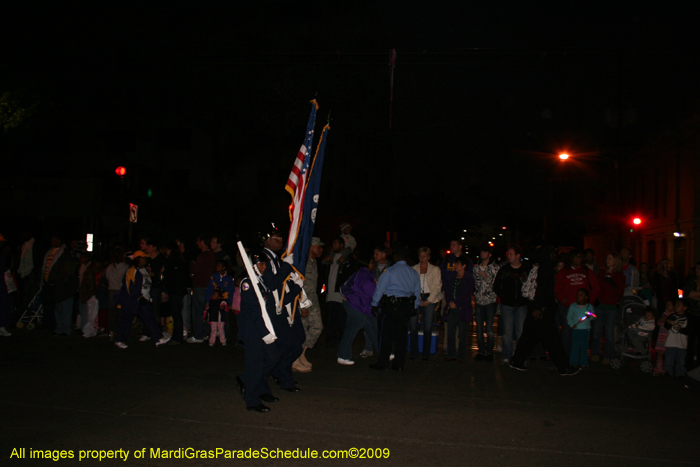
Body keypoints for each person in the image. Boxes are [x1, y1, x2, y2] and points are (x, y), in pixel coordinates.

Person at [509, 245, 579, 375]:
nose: (554, 256)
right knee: (552, 340)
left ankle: (516, 361)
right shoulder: (545, 269)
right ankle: (564, 367)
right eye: (552, 253)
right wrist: (539, 307)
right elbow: (542, 290)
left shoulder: (536, 267)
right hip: (542, 309)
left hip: (537, 307)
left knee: (529, 337)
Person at [236, 251, 281, 413]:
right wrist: (264, 333)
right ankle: (252, 399)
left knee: (272, 358)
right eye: (261, 264)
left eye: (265, 264)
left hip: (263, 328)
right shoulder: (248, 283)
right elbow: (252, 311)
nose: (264, 267)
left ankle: (250, 382)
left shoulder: (260, 281)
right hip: (254, 331)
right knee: (255, 365)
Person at [369, 243, 421, 371]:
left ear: (397, 257)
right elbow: (417, 292)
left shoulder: (390, 271)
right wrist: (415, 307)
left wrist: (374, 304)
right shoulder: (413, 272)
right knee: (401, 337)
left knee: (385, 336)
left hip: (391, 307)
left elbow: (380, 289)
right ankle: (399, 364)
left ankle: (383, 363)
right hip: (405, 307)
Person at [113, 251, 170, 349]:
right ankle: (120, 340)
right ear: (137, 259)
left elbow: (148, 284)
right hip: (133, 301)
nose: (145, 260)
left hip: (144, 300)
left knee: (149, 319)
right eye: (143, 258)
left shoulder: (144, 270)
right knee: (126, 320)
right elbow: (130, 286)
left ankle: (159, 338)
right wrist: (139, 297)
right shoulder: (132, 270)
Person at [554, 249, 600, 358]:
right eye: (576, 257)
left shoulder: (586, 271)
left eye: (580, 257)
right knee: (566, 332)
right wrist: (562, 299)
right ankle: (566, 356)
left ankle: (578, 355)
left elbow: (596, 287)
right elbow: (557, 288)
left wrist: (590, 301)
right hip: (567, 307)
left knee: (581, 332)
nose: (578, 259)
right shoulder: (563, 272)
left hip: (581, 307)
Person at [493, 245, 532, 364]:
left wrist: (526, 298)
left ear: (518, 255)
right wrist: (505, 296)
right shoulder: (504, 270)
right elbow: (496, 286)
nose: (508, 256)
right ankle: (507, 355)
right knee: (507, 332)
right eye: (508, 254)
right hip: (507, 305)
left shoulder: (526, 269)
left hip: (521, 305)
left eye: (511, 254)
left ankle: (520, 356)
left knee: (520, 332)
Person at [337, 267, 379, 365]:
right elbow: (371, 292)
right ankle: (343, 355)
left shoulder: (360, 273)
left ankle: (384, 352)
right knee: (352, 329)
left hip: (358, 305)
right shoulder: (364, 275)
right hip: (356, 305)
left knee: (371, 328)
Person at [294, 237, 324, 371]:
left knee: (318, 327)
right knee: (302, 330)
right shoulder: (303, 263)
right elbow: (298, 286)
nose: (321, 249)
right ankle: (295, 359)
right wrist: (303, 305)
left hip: (313, 300)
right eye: (319, 246)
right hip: (303, 301)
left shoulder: (313, 262)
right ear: (311, 247)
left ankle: (301, 353)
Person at [591, 252, 626, 364]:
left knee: (609, 332)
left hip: (611, 308)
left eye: (610, 258)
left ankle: (608, 354)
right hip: (600, 306)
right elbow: (596, 287)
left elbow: (620, 292)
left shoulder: (620, 275)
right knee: (596, 331)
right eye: (607, 258)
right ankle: (595, 353)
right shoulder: (601, 272)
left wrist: (612, 283)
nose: (607, 260)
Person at [410, 247, 442, 361]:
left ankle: (426, 353)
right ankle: (413, 352)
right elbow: (412, 286)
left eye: (424, 256)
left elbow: (438, 287)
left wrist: (428, 300)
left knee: (427, 327)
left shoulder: (435, 269)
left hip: (430, 298)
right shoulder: (413, 269)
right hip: (416, 298)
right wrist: (418, 299)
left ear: (428, 257)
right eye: (420, 256)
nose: (422, 259)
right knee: (413, 326)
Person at [323, 237, 355, 347]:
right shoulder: (330, 258)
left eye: (335, 243)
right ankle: (331, 341)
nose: (333, 245)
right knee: (330, 320)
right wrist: (324, 291)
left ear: (342, 245)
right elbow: (325, 276)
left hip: (341, 296)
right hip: (330, 295)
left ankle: (344, 342)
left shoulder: (347, 257)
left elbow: (352, 274)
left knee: (343, 321)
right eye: (333, 243)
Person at [442, 254, 475, 363]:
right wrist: (450, 301)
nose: (456, 266)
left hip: (463, 310)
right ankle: (451, 353)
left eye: (458, 264)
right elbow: (447, 290)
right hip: (452, 309)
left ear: (464, 266)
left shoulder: (469, 278)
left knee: (463, 334)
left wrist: (456, 302)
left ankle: (461, 355)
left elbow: (466, 294)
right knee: (451, 332)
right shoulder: (453, 277)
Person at [473, 244, 500, 361]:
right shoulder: (476, 267)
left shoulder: (495, 268)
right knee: (479, 328)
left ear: (489, 254)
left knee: (489, 328)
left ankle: (490, 352)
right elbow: (475, 283)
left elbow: (496, 284)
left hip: (490, 301)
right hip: (479, 300)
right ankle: (481, 352)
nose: (482, 254)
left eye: (485, 252)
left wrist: (486, 277)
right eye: (481, 252)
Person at [187, 235, 216, 343]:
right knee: (206, 311)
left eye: (198, 241)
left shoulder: (202, 256)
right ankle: (205, 333)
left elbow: (195, 271)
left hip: (200, 286)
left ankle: (198, 335)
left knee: (198, 312)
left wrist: (192, 270)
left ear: (203, 242)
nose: (197, 243)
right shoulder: (212, 255)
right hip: (208, 286)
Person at [204, 261, 235, 346]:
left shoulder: (229, 278)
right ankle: (210, 336)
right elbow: (209, 289)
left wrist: (229, 302)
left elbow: (231, 291)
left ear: (223, 267)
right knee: (212, 318)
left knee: (225, 319)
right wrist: (208, 300)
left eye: (219, 266)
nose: (217, 267)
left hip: (223, 300)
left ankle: (226, 337)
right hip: (214, 301)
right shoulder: (214, 277)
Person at [163, 242, 188, 344]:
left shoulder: (174, 262)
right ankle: (177, 336)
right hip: (177, 290)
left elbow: (172, 277)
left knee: (176, 313)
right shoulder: (179, 261)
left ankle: (177, 337)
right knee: (176, 313)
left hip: (175, 291)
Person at [567, 288, 596, 368]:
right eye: (578, 295)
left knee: (584, 346)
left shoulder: (589, 307)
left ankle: (584, 362)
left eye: (581, 295)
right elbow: (569, 317)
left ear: (586, 297)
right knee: (575, 346)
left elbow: (593, 317)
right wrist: (572, 324)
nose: (578, 297)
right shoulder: (573, 306)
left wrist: (589, 315)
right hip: (576, 329)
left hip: (585, 329)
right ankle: (573, 362)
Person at [105, 248, 128, 340]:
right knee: (121, 312)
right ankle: (121, 332)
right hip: (121, 291)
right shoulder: (125, 267)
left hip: (112, 291)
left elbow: (106, 277)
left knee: (112, 313)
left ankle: (111, 331)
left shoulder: (109, 267)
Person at [664, 298, 690, 377]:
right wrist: (668, 322)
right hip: (671, 342)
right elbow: (666, 326)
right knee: (669, 359)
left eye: (678, 305)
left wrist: (680, 329)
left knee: (681, 360)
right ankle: (668, 371)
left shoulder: (687, 318)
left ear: (685, 308)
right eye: (676, 305)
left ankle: (680, 373)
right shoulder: (672, 316)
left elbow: (688, 331)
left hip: (681, 343)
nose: (676, 307)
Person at [654, 300, 674, 375]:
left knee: (668, 353)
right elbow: (659, 323)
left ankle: (667, 368)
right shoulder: (664, 314)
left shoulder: (673, 315)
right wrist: (661, 319)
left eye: (669, 305)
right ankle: (659, 367)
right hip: (661, 335)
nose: (667, 307)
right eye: (666, 305)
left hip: (668, 336)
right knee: (660, 352)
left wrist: (667, 317)